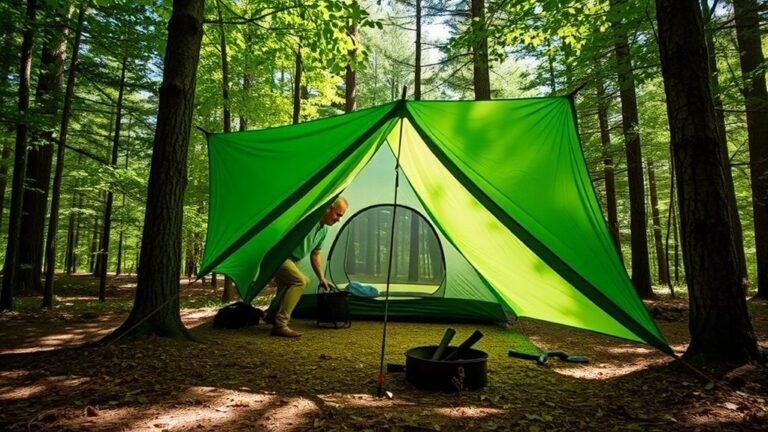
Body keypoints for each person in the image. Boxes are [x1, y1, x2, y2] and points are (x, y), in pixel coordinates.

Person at [265, 197, 348, 337]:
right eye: (338, 214)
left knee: (285, 289)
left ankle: (270, 316)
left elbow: (315, 254)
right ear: (328, 208)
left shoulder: (324, 230)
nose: (338, 219)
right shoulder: (308, 219)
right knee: (300, 281)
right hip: (280, 257)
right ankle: (280, 324)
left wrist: (321, 278)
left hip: (293, 261)